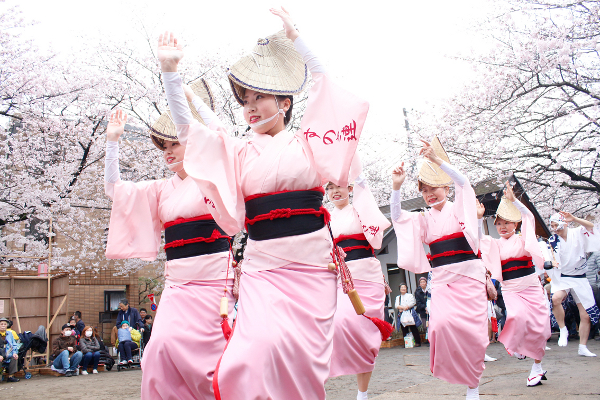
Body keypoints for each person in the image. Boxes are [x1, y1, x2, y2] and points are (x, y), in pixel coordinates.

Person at [159, 7, 369, 400]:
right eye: (245, 101)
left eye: (260, 97)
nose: (251, 107)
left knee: (299, 359)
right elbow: (193, 131)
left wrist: (297, 39)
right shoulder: (239, 151)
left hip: (311, 264)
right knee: (253, 354)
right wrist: (171, 74)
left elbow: (325, 87)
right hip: (263, 266)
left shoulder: (308, 140)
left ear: (285, 103)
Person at [104, 85, 235, 399]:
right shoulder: (160, 189)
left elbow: (224, 139)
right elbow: (115, 191)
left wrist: (193, 100)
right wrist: (112, 143)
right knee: (158, 351)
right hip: (177, 285)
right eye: (164, 146)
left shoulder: (214, 179)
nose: (168, 151)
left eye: (175, 143)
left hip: (216, 280)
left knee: (214, 361)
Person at [390, 137, 487, 400]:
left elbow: (464, 183)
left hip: (469, 276)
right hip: (443, 279)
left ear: (445, 186)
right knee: (439, 326)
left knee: (474, 333)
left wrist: (436, 160)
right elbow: (397, 217)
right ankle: (459, 371)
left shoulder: (460, 210)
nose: (429, 193)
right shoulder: (422, 219)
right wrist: (396, 187)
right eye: (424, 190)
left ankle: (473, 385)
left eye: (433, 187)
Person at [478, 183, 550, 386]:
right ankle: (517, 344)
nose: (502, 227)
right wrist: (477, 218)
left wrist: (514, 201)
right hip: (511, 289)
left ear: (515, 225)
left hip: (531, 287)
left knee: (542, 329)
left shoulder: (523, 239)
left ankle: (537, 366)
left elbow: (528, 217)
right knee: (517, 316)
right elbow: (477, 239)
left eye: (507, 223)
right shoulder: (495, 243)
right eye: (499, 223)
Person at [326, 174, 391, 400]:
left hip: (367, 273)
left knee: (366, 335)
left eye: (340, 186)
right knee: (340, 323)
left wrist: (359, 173)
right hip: (341, 277)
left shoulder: (361, 209)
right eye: (330, 188)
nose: (335, 191)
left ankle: (361, 393)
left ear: (350, 188)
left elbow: (376, 233)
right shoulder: (326, 219)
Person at [547, 211, 600, 356]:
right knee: (555, 299)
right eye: (552, 225)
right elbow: (549, 257)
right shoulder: (552, 240)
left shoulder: (577, 232)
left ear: (564, 223)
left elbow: (591, 227)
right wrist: (551, 263)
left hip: (580, 277)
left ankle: (583, 347)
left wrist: (575, 218)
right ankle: (563, 329)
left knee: (585, 315)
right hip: (563, 277)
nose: (554, 227)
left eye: (556, 224)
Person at [395, 283, 422, 347]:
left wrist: (405, 307)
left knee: (413, 327)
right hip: (402, 314)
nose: (403, 289)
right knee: (404, 328)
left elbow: (412, 303)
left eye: (404, 287)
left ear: (406, 289)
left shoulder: (410, 295)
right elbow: (396, 305)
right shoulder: (398, 297)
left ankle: (418, 342)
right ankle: (406, 343)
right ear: (399, 289)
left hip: (410, 313)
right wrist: (402, 308)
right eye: (402, 287)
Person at [0, 317, 19, 382]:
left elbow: (14, 344)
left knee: (14, 357)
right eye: (1, 324)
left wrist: (15, 353)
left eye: (4, 324)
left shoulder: (10, 334)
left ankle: (11, 376)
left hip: (8, 354)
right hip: (1, 355)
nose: (3, 326)